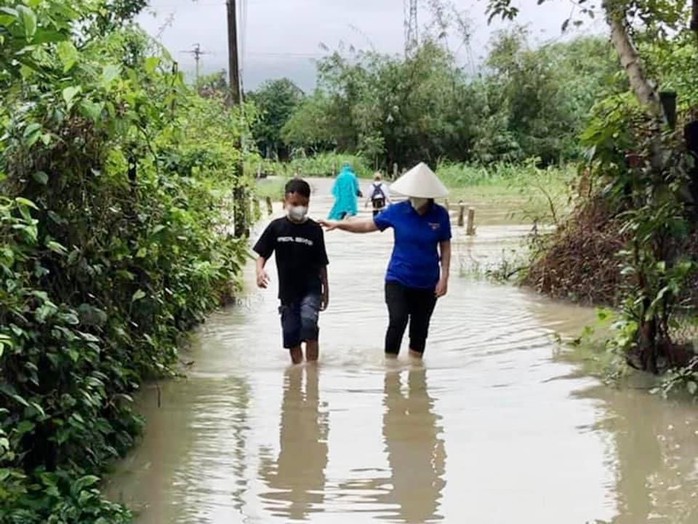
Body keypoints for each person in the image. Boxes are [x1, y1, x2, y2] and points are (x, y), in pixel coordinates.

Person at [319, 162, 451, 359]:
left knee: (420, 329)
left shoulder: (440, 215)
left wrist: (445, 277)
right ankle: (391, 372)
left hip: (428, 282)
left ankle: (415, 374)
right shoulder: (397, 211)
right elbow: (367, 225)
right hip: (398, 278)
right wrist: (339, 224)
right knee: (397, 321)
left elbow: (445, 246)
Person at [254, 178, 330, 364]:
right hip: (288, 293)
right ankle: (297, 371)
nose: (299, 208)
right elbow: (262, 254)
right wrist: (259, 272)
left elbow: (322, 264)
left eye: (304, 204)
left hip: (311, 288)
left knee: (309, 325)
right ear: (285, 202)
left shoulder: (314, 230)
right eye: (295, 204)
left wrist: (326, 291)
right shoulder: (276, 228)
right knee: (291, 335)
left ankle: (312, 372)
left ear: (309, 204)